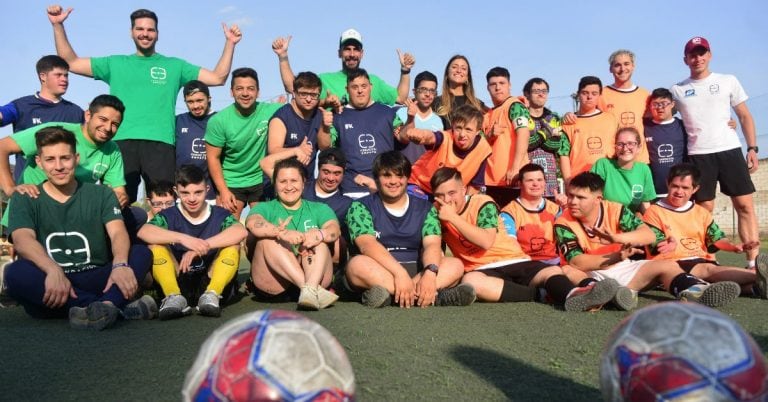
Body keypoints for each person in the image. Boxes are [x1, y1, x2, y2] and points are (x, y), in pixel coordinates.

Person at [47, 5, 242, 203]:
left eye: (150, 29)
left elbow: (218, 78)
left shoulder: (175, 66)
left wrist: (230, 43)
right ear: (131, 32)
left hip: (161, 144)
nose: (145, 34)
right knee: (117, 203)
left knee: (164, 205)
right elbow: (70, 62)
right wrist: (57, 25)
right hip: (120, 143)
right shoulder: (114, 63)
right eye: (140, 29)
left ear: (157, 34)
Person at [3, 126, 153, 329]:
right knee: (15, 273)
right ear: (39, 162)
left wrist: (119, 265)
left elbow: (117, 231)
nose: (58, 166)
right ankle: (111, 307)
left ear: (76, 158)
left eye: (65, 158)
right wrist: (52, 269)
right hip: (52, 279)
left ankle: (90, 308)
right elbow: (22, 240)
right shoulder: (25, 196)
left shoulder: (102, 194)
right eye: (50, 159)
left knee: (140, 253)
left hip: (97, 276)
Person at [430, 167, 619, 311]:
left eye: (452, 193)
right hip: (480, 269)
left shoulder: (482, 201)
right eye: (440, 195)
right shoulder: (435, 214)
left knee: (552, 271)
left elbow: (486, 241)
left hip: (514, 260)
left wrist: (453, 218)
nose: (446, 200)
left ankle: (576, 296)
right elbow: (435, 248)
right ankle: (541, 294)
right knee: (471, 281)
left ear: (463, 190)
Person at [554, 171, 741, 309]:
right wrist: (615, 257)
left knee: (666, 265)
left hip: (621, 267)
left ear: (598, 199)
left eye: (580, 197)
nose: (572, 202)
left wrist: (617, 238)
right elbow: (577, 261)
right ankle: (599, 294)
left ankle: (694, 291)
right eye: (570, 195)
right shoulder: (563, 222)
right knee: (567, 269)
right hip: (590, 273)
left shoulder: (615, 210)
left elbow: (648, 235)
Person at [670, 36, 761, 269]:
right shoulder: (678, 90)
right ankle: (705, 259)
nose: (697, 58)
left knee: (744, 206)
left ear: (709, 55)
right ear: (685, 59)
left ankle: (754, 263)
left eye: (702, 53)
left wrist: (751, 148)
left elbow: (744, 116)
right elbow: (663, 115)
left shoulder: (727, 81)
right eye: (692, 54)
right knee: (704, 211)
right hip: (699, 155)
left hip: (730, 151)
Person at [344, 152, 473, 308]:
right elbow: (367, 245)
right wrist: (399, 274)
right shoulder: (360, 206)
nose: (393, 181)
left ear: (407, 178)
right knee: (356, 265)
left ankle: (393, 297)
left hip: (417, 269)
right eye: (386, 176)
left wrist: (430, 273)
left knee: (455, 265)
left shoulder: (425, 208)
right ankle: (434, 297)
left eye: (400, 176)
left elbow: (432, 244)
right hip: (381, 269)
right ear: (377, 178)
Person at [137, 165, 246, 319]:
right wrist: (183, 238)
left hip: (210, 281)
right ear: (176, 191)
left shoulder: (220, 214)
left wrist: (201, 246)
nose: (192, 198)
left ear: (207, 189)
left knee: (233, 244)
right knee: (155, 244)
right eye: (185, 193)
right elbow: (144, 232)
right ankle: (172, 296)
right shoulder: (168, 215)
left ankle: (212, 294)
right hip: (179, 281)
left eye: (198, 192)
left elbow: (240, 231)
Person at [642, 163, 765, 297]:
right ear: (667, 183)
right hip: (672, 265)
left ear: (695, 189)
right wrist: (669, 245)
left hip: (702, 262)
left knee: (714, 274)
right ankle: (757, 275)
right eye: (675, 186)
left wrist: (733, 247)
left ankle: (756, 289)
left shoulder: (701, 212)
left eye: (685, 188)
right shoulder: (653, 212)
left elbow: (716, 239)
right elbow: (655, 246)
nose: (679, 192)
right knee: (709, 270)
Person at [246, 158, 341, 310]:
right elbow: (253, 222)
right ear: (275, 185)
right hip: (275, 283)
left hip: (314, 273)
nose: (289, 187)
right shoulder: (265, 207)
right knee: (266, 240)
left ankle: (309, 288)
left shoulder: (320, 208)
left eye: (294, 181)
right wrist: (279, 233)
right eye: (283, 181)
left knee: (320, 242)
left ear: (303, 183)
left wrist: (318, 235)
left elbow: (334, 230)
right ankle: (309, 289)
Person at [0, 94, 128, 208]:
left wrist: (121, 197)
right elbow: (2, 146)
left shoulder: (113, 151)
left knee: (135, 215)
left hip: (69, 219)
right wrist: (10, 188)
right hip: (29, 210)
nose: (107, 128)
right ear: (88, 115)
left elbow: (118, 190)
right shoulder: (56, 132)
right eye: (103, 119)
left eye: (115, 124)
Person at [205, 68, 283, 218]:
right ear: (231, 92)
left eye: (250, 89)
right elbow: (212, 158)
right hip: (231, 181)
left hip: (261, 180)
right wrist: (223, 191)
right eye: (239, 89)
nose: (245, 93)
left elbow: (300, 104)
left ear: (258, 92)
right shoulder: (219, 121)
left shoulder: (272, 111)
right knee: (227, 228)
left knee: (263, 228)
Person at [271, 30, 414, 106]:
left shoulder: (373, 81)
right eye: (347, 49)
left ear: (362, 54)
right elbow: (293, 88)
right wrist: (283, 56)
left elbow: (400, 97)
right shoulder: (325, 80)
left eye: (356, 49)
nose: (351, 54)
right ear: (339, 53)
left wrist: (405, 70)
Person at [0, 55, 83, 181]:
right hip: (28, 187)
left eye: (66, 75)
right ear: (43, 76)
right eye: (58, 75)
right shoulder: (22, 105)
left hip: (65, 189)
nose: (64, 79)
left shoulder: (76, 112)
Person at [324, 69, 405, 198]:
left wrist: (411, 119)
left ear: (370, 87)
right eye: (355, 87)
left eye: (364, 86)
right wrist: (324, 124)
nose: (360, 91)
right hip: (352, 189)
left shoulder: (388, 113)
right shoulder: (338, 116)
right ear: (347, 89)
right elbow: (326, 147)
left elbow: (403, 137)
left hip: (385, 188)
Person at [405, 104, 491, 196]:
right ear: (452, 126)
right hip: (420, 185)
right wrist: (421, 135)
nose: (462, 134)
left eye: (468, 129)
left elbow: (475, 185)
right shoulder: (445, 137)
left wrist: (465, 207)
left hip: (448, 195)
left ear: (478, 131)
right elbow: (431, 137)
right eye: (458, 128)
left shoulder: (483, 149)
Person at [482, 67, 531, 206]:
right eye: (493, 84)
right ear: (488, 88)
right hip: (492, 181)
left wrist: (515, 168)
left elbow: (523, 134)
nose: (497, 87)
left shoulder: (515, 106)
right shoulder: (488, 114)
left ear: (509, 85)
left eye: (502, 83)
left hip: (512, 180)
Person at [267, 71, 329, 181]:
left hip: (306, 181)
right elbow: (273, 151)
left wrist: (325, 126)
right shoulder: (281, 117)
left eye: (314, 95)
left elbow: (325, 148)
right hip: (280, 182)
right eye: (304, 94)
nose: (309, 99)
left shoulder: (319, 115)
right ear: (294, 93)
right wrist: (296, 150)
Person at [499, 164, 562, 265]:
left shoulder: (556, 209)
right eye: (530, 180)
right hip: (525, 264)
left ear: (545, 182)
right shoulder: (509, 212)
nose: (536, 184)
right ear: (520, 184)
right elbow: (510, 244)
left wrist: (567, 209)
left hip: (555, 262)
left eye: (539, 180)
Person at [561, 76, 619, 179]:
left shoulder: (611, 119)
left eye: (594, 93)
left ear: (600, 95)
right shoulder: (568, 123)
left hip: (609, 178)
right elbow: (563, 155)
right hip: (579, 179)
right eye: (585, 93)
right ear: (578, 94)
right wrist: (567, 180)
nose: (589, 97)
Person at [590, 127, 656, 214]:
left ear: (639, 147)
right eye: (620, 144)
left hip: (629, 222)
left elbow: (645, 202)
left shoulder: (644, 170)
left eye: (630, 143)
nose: (625, 148)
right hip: (605, 219)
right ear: (615, 147)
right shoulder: (603, 165)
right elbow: (589, 196)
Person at [523, 78, 568, 199]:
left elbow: (556, 145)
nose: (541, 94)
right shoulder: (522, 117)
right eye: (536, 90)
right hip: (527, 183)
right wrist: (548, 132)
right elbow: (525, 144)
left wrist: (537, 137)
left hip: (550, 185)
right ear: (527, 94)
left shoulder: (554, 118)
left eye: (544, 91)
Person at [643, 88, 688, 197]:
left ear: (672, 104)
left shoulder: (683, 126)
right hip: (653, 190)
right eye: (655, 104)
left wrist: (729, 124)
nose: (660, 108)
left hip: (679, 190)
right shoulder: (644, 126)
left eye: (664, 104)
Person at [176, 80, 216, 201]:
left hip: (212, 196)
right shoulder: (178, 121)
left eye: (199, 100)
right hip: (182, 194)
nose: (196, 106)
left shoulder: (219, 120)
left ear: (209, 98)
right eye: (190, 102)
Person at [395, 71, 443, 163]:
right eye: (423, 90)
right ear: (415, 91)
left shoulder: (438, 121)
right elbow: (402, 138)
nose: (428, 94)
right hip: (403, 173)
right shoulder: (400, 113)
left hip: (427, 174)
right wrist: (410, 118)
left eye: (432, 91)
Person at [434, 55, 487, 127]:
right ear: (447, 73)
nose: (459, 71)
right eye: (454, 67)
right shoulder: (436, 102)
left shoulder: (478, 105)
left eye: (463, 68)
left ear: (467, 77)